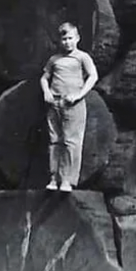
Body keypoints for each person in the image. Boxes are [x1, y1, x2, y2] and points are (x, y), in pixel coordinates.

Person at [40, 22, 98, 192]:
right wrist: (46, 92)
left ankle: (67, 180)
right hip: (54, 103)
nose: (67, 42)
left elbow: (93, 76)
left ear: (77, 38)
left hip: (73, 103)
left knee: (71, 141)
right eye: (64, 39)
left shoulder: (82, 57)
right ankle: (54, 178)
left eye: (70, 38)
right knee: (54, 140)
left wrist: (79, 94)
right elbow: (44, 78)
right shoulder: (54, 59)